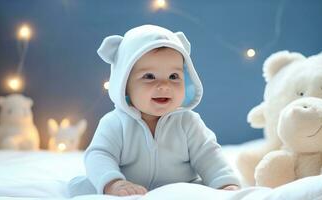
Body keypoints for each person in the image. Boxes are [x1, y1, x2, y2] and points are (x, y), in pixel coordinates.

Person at [68, 24, 240, 197]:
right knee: (83, 187)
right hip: (126, 187)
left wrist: (225, 183)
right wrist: (114, 183)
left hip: (179, 188)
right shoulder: (114, 123)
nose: (164, 86)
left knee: (202, 192)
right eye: (149, 77)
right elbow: (99, 155)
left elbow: (208, 155)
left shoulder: (188, 122)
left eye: (174, 76)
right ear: (124, 85)